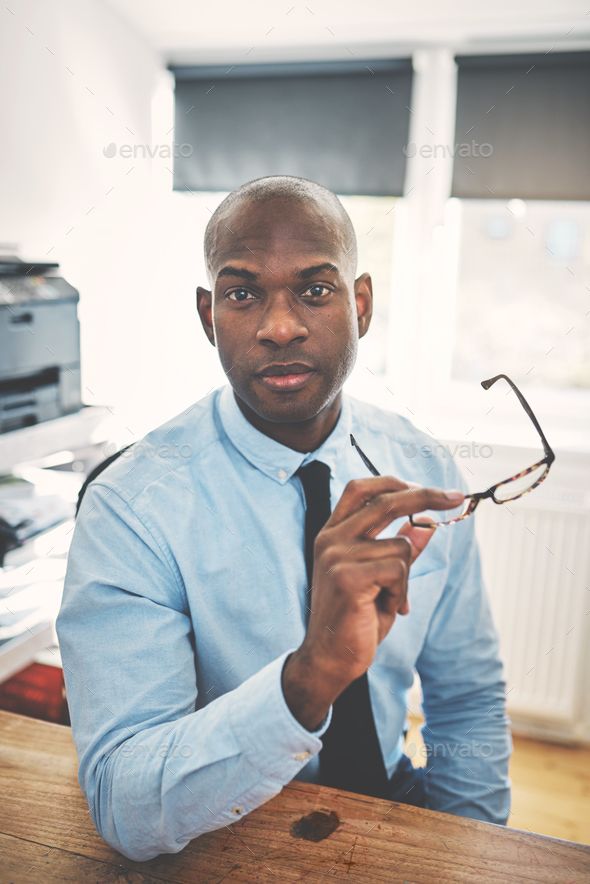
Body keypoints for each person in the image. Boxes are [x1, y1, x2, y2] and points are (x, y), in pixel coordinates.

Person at [56, 175, 511, 862]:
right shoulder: (131, 507)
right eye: (242, 294)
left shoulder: (425, 471)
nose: (279, 326)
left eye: (315, 290)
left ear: (361, 304)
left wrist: (464, 853)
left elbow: (468, 698)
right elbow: (125, 802)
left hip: (393, 807)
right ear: (209, 316)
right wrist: (308, 678)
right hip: (220, 838)